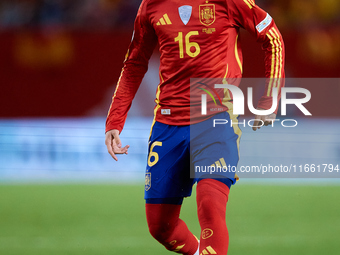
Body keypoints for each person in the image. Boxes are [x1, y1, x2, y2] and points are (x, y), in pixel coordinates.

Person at [105, 0, 284, 254]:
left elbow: (272, 38)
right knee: (160, 227)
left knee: (210, 206)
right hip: (167, 124)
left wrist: (270, 98)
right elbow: (134, 63)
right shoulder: (151, 6)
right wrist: (114, 121)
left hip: (215, 119)